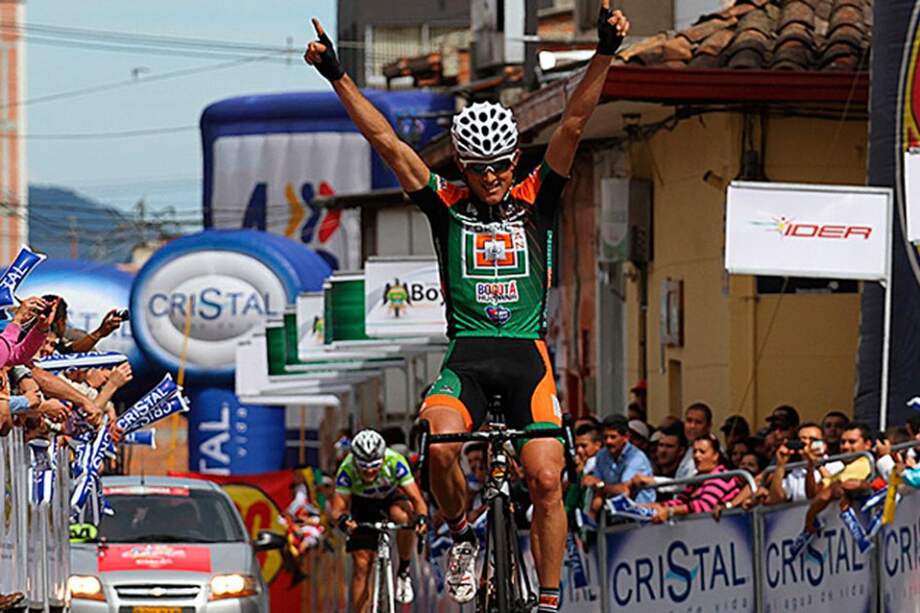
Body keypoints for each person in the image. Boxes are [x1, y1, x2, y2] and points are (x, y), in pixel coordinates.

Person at [305, 4, 630, 609]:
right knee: (440, 441)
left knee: (546, 478)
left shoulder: (538, 194)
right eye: (479, 169)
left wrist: (605, 52)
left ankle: (551, 599)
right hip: (468, 358)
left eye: (501, 165)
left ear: (514, 160)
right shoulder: (445, 203)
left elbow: (575, 121)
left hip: (527, 357)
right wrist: (338, 76)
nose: (493, 178)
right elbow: (386, 141)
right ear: (463, 165)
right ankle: (463, 535)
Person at [330, 430, 428, 611]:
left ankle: (403, 569)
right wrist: (344, 521)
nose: (369, 471)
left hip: (390, 498)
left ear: (382, 459)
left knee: (404, 516)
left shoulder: (395, 461)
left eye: (374, 465)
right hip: (363, 505)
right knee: (362, 565)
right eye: (363, 466)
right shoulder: (347, 469)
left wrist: (422, 519)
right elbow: (336, 510)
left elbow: (417, 500)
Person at [634, 434, 740, 522]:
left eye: (702, 452)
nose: (697, 456)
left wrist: (670, 511)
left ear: (715, 455)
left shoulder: (721, 476)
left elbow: (704, 506)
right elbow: (681, 501)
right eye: (694, 451)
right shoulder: (696, 479)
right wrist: (655, 506)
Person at [801, 422, 873, 536]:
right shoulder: (842, 471)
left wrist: (810, 515)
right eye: (843, 442)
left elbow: (836, 488)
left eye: (852, 442)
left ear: (867, 444)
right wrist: (810, 467)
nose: (845, 446)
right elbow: (814, 493)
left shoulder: (864, 464)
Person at [584, 415, 655, 515]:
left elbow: (624, 490)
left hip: (639, 516)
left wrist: (601, 485)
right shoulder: (602, 455)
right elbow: (597, 489)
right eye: (605, 437)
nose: (608, 441)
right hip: (613, 516)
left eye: (613, 437)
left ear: (626, 437)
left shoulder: (636, 458)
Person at [766, 422, 825, 504]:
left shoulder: (834, 464)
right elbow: (776, 499)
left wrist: (814, 464)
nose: (807, 443)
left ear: (823, 444)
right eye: (803, 439)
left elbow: (815, 495)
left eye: (813, 440)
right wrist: (780, 465)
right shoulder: (794, 472)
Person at [676, 403, 713, 479]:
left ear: (708, 426)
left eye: (698, 422)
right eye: (689, 421)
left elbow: (686, 484)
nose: (692, 426)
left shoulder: (713, 450)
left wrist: (654, 481)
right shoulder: (690, 448)